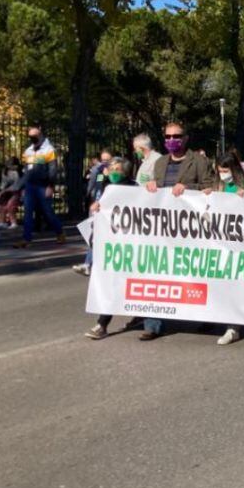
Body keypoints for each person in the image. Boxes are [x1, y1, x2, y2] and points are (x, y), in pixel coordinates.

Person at [140, 122, 214, 340]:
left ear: (186, 138)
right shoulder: (161, 162)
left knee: (196, 274)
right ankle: (152, 325)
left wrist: (188, 189)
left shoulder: (199, 161)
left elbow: (210, 188)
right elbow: (155, 191)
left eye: (177, 136)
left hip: (191, 229)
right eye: (168, 136)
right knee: (156, 272)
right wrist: (151, 186)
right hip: (162, 228)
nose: (172, 139)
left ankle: (207, 317)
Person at [203, 151, 244, 346]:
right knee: (229, 286)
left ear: (234, 168)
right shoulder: (218, 186)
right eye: (219, 170)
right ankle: (233, 327)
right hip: (224, 245)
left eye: (225, 170)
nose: (222, 174)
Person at [84, 157, 137, 340]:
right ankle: (102, 323)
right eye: (110, 167)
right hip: (111, 245)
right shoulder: (104, 182)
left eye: (117, 169)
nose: (113, 171)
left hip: (130, 244)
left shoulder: (135, 188)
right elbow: (95, 193)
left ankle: (143, 316)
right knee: (111, 283)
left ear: (126, 171)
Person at [15, 124, 65, 248]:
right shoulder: (28, 151)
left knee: (47, 212)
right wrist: (22, 187)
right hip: (30, 186)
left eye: (34, 133)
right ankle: (26, 239)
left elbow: (53, 169)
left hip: (43, 186)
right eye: (30, 133)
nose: (31, 135)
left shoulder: (49, 150)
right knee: (27, 212)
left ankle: (60, 232)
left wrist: (50, 186)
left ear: (40, 131)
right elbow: (26, 171)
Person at [0, 157, 24, 229]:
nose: (11, 167)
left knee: (10, 206)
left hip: (18, 191)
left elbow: (17, 186)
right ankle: (2, 222)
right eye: (9, 165)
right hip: (7, 190)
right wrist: (1, 191)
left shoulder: (20, 172)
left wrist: (3, 191)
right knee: (1, 205)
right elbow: (4, 182)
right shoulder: (5, 171)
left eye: (13, 165)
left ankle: (14, 222)